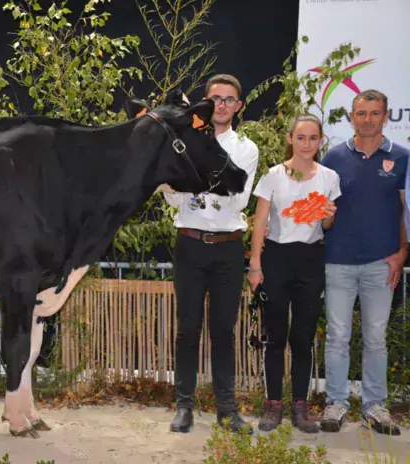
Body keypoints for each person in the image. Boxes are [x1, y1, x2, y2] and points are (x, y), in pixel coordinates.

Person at [165, 74, 259, 434]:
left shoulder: (246, 149)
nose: (221, 104)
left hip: (227, 248)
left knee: (223, 331)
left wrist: (191, 183)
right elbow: (171, 193)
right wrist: (186, 185)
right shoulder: (185, 141)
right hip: (189, 244)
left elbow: (237, 198)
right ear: (204, 103)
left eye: (229, 99)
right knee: (187, 330)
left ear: (238, 106)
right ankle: (184, 407)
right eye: (215, 98)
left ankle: (226, 409)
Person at [320, 89, 409, 436]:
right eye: (361, 113)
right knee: (337, 336)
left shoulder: (402, 157)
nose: (368, 119)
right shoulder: (333, 157)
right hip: (338, 261)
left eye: (375, 113)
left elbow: (406, 212)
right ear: (351, 117)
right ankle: (337, 402)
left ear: (386, 116)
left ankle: (375, 406)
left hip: (381, 264)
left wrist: (402, 254)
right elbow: (321, 209)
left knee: (376, 338)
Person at [247, 113, 340, 433]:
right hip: (276, 258)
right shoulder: (273, 175)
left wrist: (329, 216)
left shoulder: (329, 177)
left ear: (320, 140)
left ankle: (300, 405)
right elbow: (259, 222)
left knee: (302, 338)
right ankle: (273, 404)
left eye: (313, 138)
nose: (306, 144)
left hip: (311, 259)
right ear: (290, 139)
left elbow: (326, 226)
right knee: (275, 337)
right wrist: (255, 263)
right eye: (301, 137)